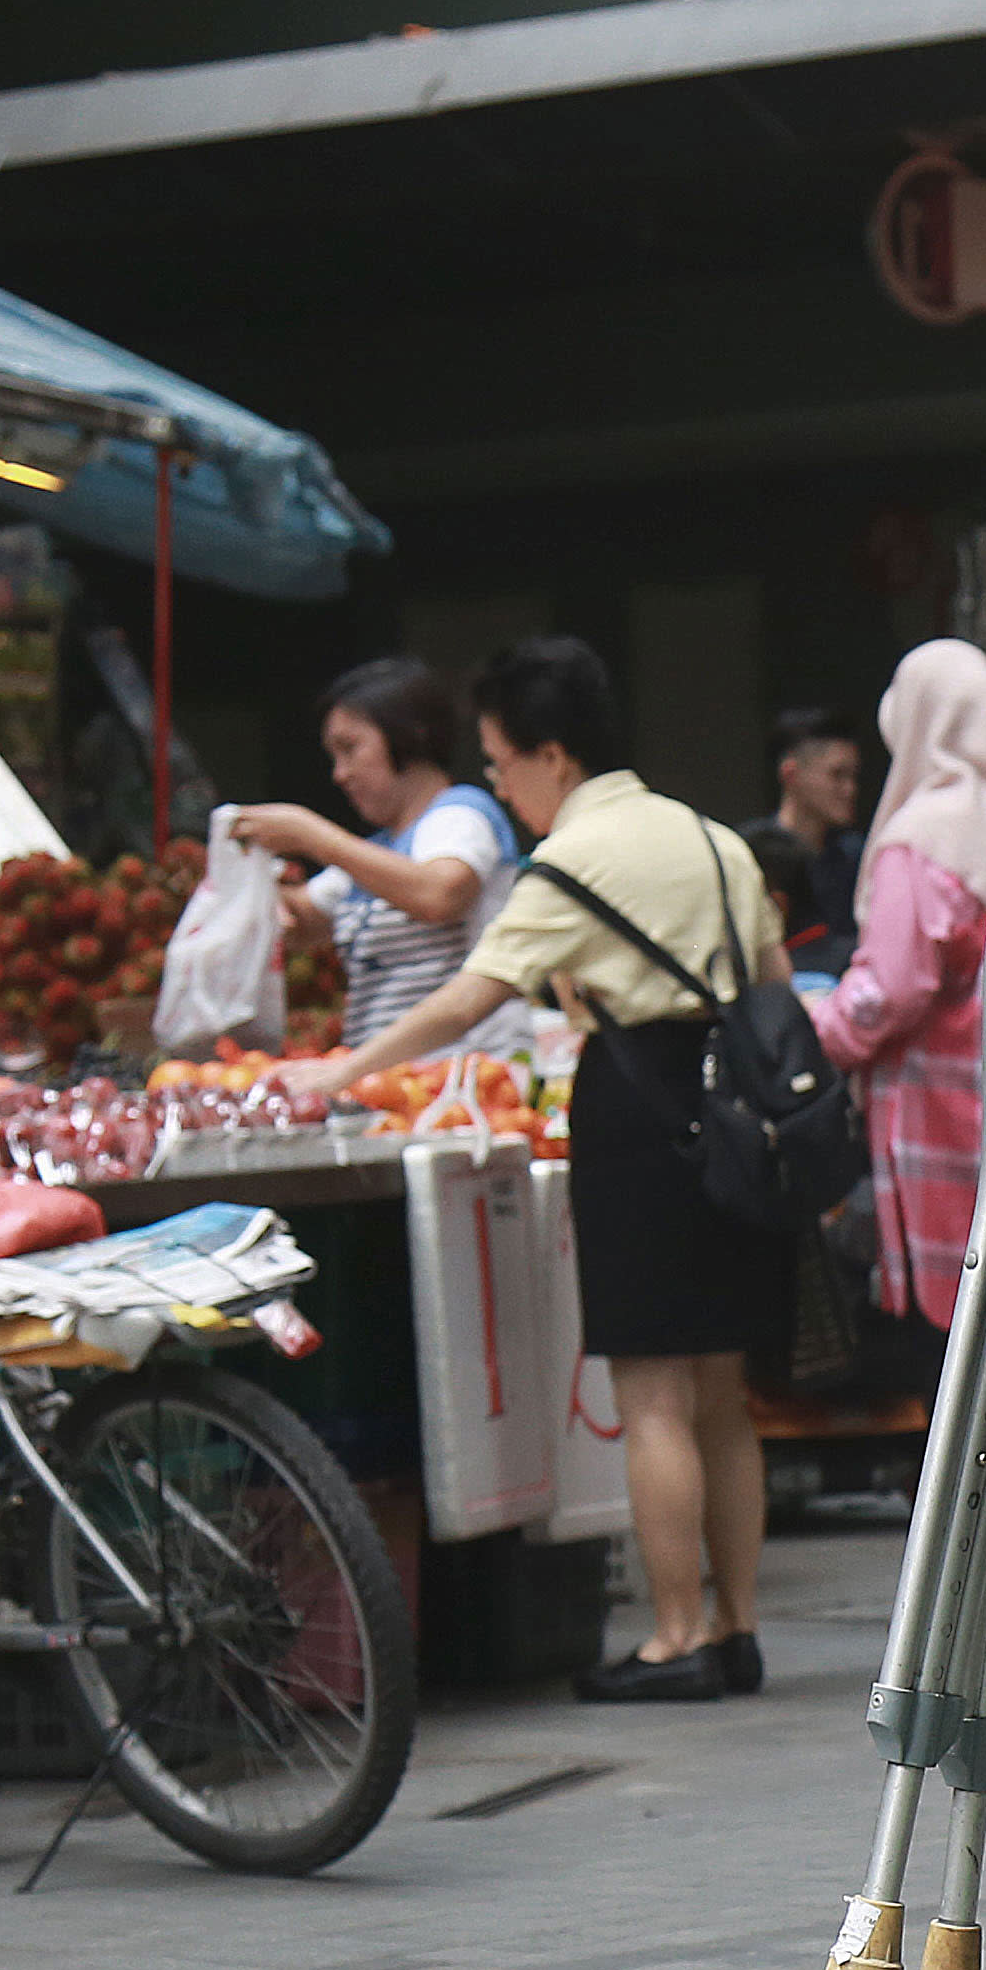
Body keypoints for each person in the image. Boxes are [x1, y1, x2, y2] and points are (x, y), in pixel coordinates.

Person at [316, 638, 785, 1705]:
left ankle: (673, 1639)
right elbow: (766, 981)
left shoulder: (575, 859)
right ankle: (737, 1627)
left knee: (653, 1395)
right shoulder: (713, 838)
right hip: (731, 1106)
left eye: (500, 763)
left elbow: (466, 998)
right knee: (722, 1395)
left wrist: (344, 1073)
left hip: (636, 1107)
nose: (498, 785)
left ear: (553, 757)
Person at [800, 642, 986, 1331]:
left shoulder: (920, 837)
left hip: (931, 1120)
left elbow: (892, 986)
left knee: (943, 1341)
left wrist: (817, 1032)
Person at [234, 658, 531, 1058]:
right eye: (334, 757)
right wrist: (245, 878)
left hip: (465, 1082)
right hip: (391, 1082)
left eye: (350, 749)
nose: (340, 773)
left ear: (412, 734)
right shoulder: (375, 854)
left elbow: (439, 894)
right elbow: (304, 921)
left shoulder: (461, 814)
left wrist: (312, 835)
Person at [743, 705, 872, 979]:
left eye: (853, 776)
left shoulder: (860, 856)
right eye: (837, 775)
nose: (849, 789)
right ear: (791, 774)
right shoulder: (748, 852)